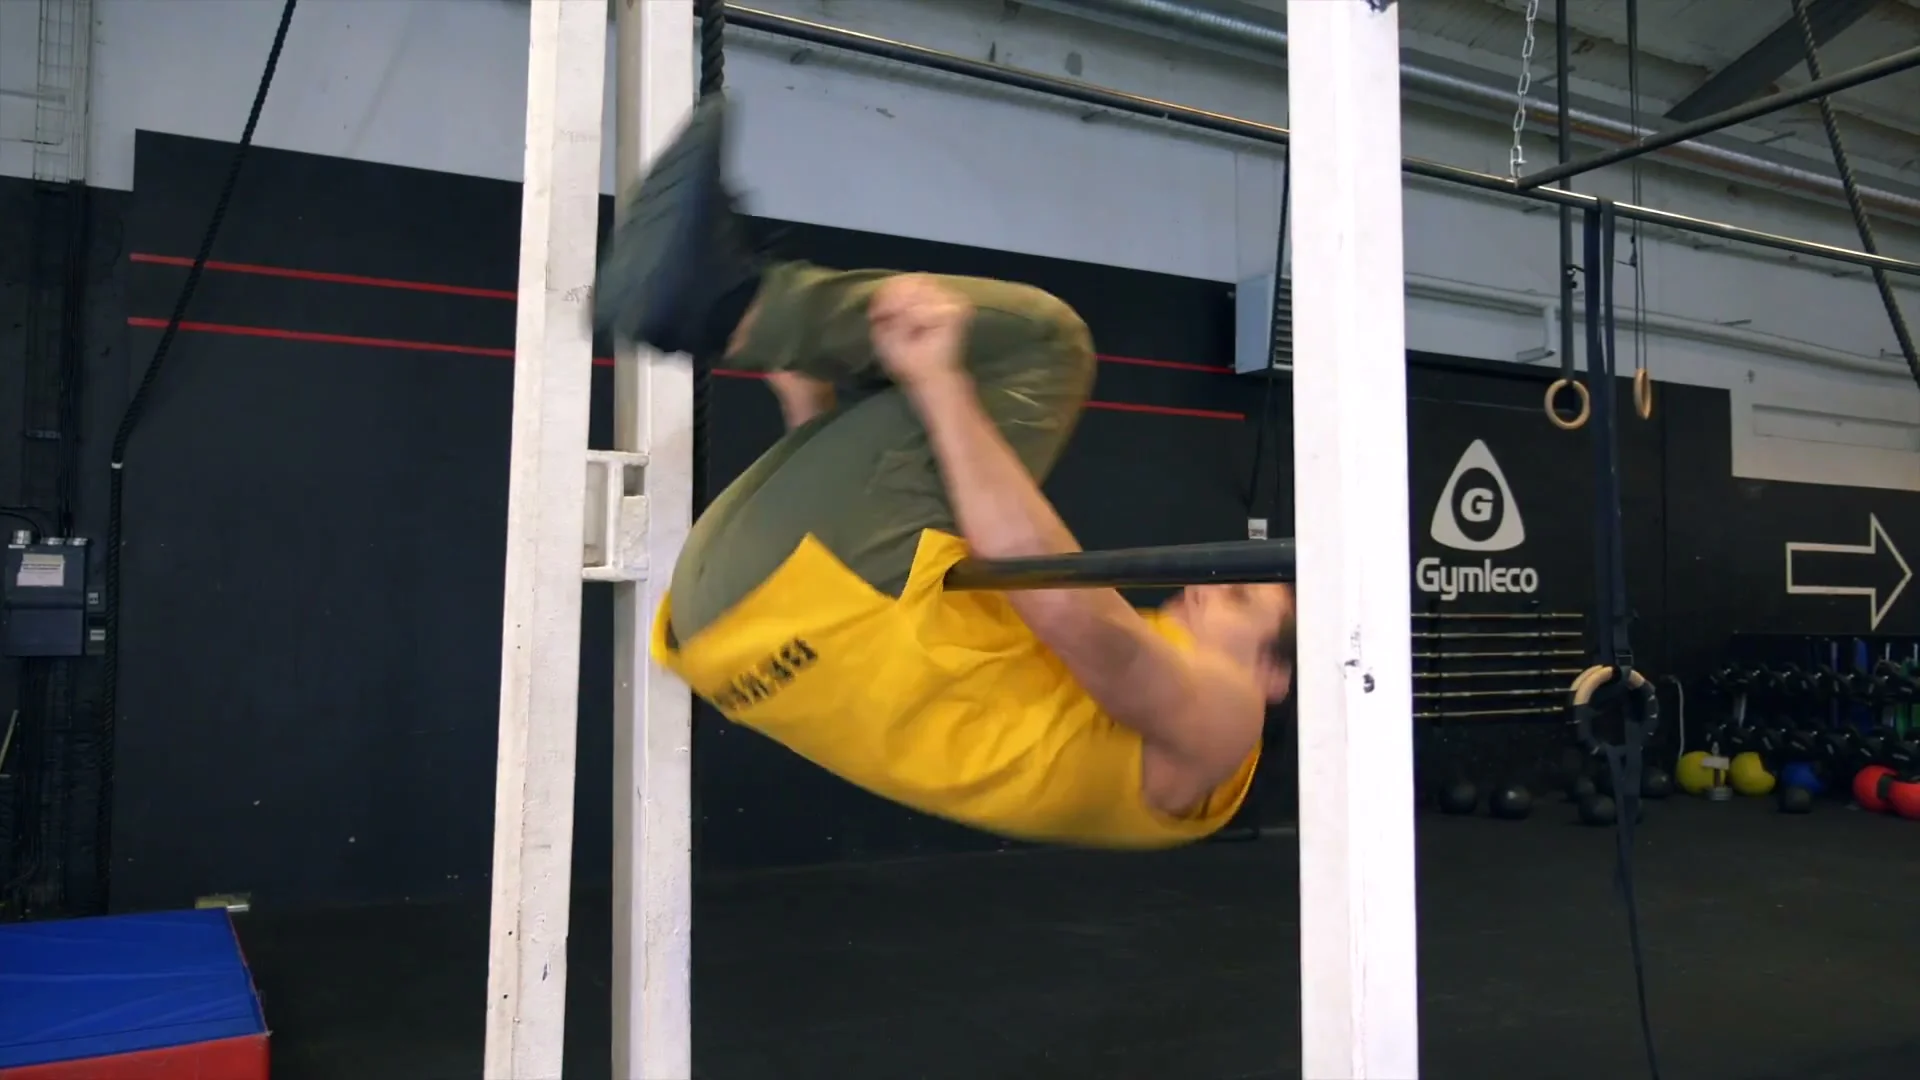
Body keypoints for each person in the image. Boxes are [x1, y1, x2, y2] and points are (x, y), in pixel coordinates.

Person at [594, 97, 1294, 848]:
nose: (1204, 587)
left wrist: (940, 385)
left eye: (1241, 598)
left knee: (1042, 346)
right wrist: (816, 414)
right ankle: (752, 316)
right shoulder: (1107, 726)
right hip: (751, 624)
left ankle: (727, 304)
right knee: (928, 408)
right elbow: (950, 638)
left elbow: (1057, 597)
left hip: (814, 613)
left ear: (1275, 675)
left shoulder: (1223, 723)